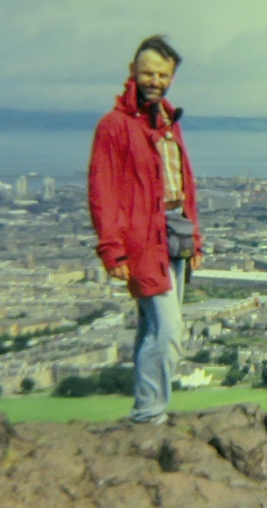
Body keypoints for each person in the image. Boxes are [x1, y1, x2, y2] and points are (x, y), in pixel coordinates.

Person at [88, 35, 203, 425]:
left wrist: (195, 240)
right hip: (142, 240)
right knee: (169, 330)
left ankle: (144, 409)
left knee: (151, 329)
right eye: (148, 72)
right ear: (132, 73)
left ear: (171, 78)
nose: (155, 80)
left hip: (175, 235)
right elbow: (102, 190)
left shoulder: (169, 122)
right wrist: (111, 249)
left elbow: (184, 185)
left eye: (163, 74)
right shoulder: (114, 125)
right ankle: (150, 415)